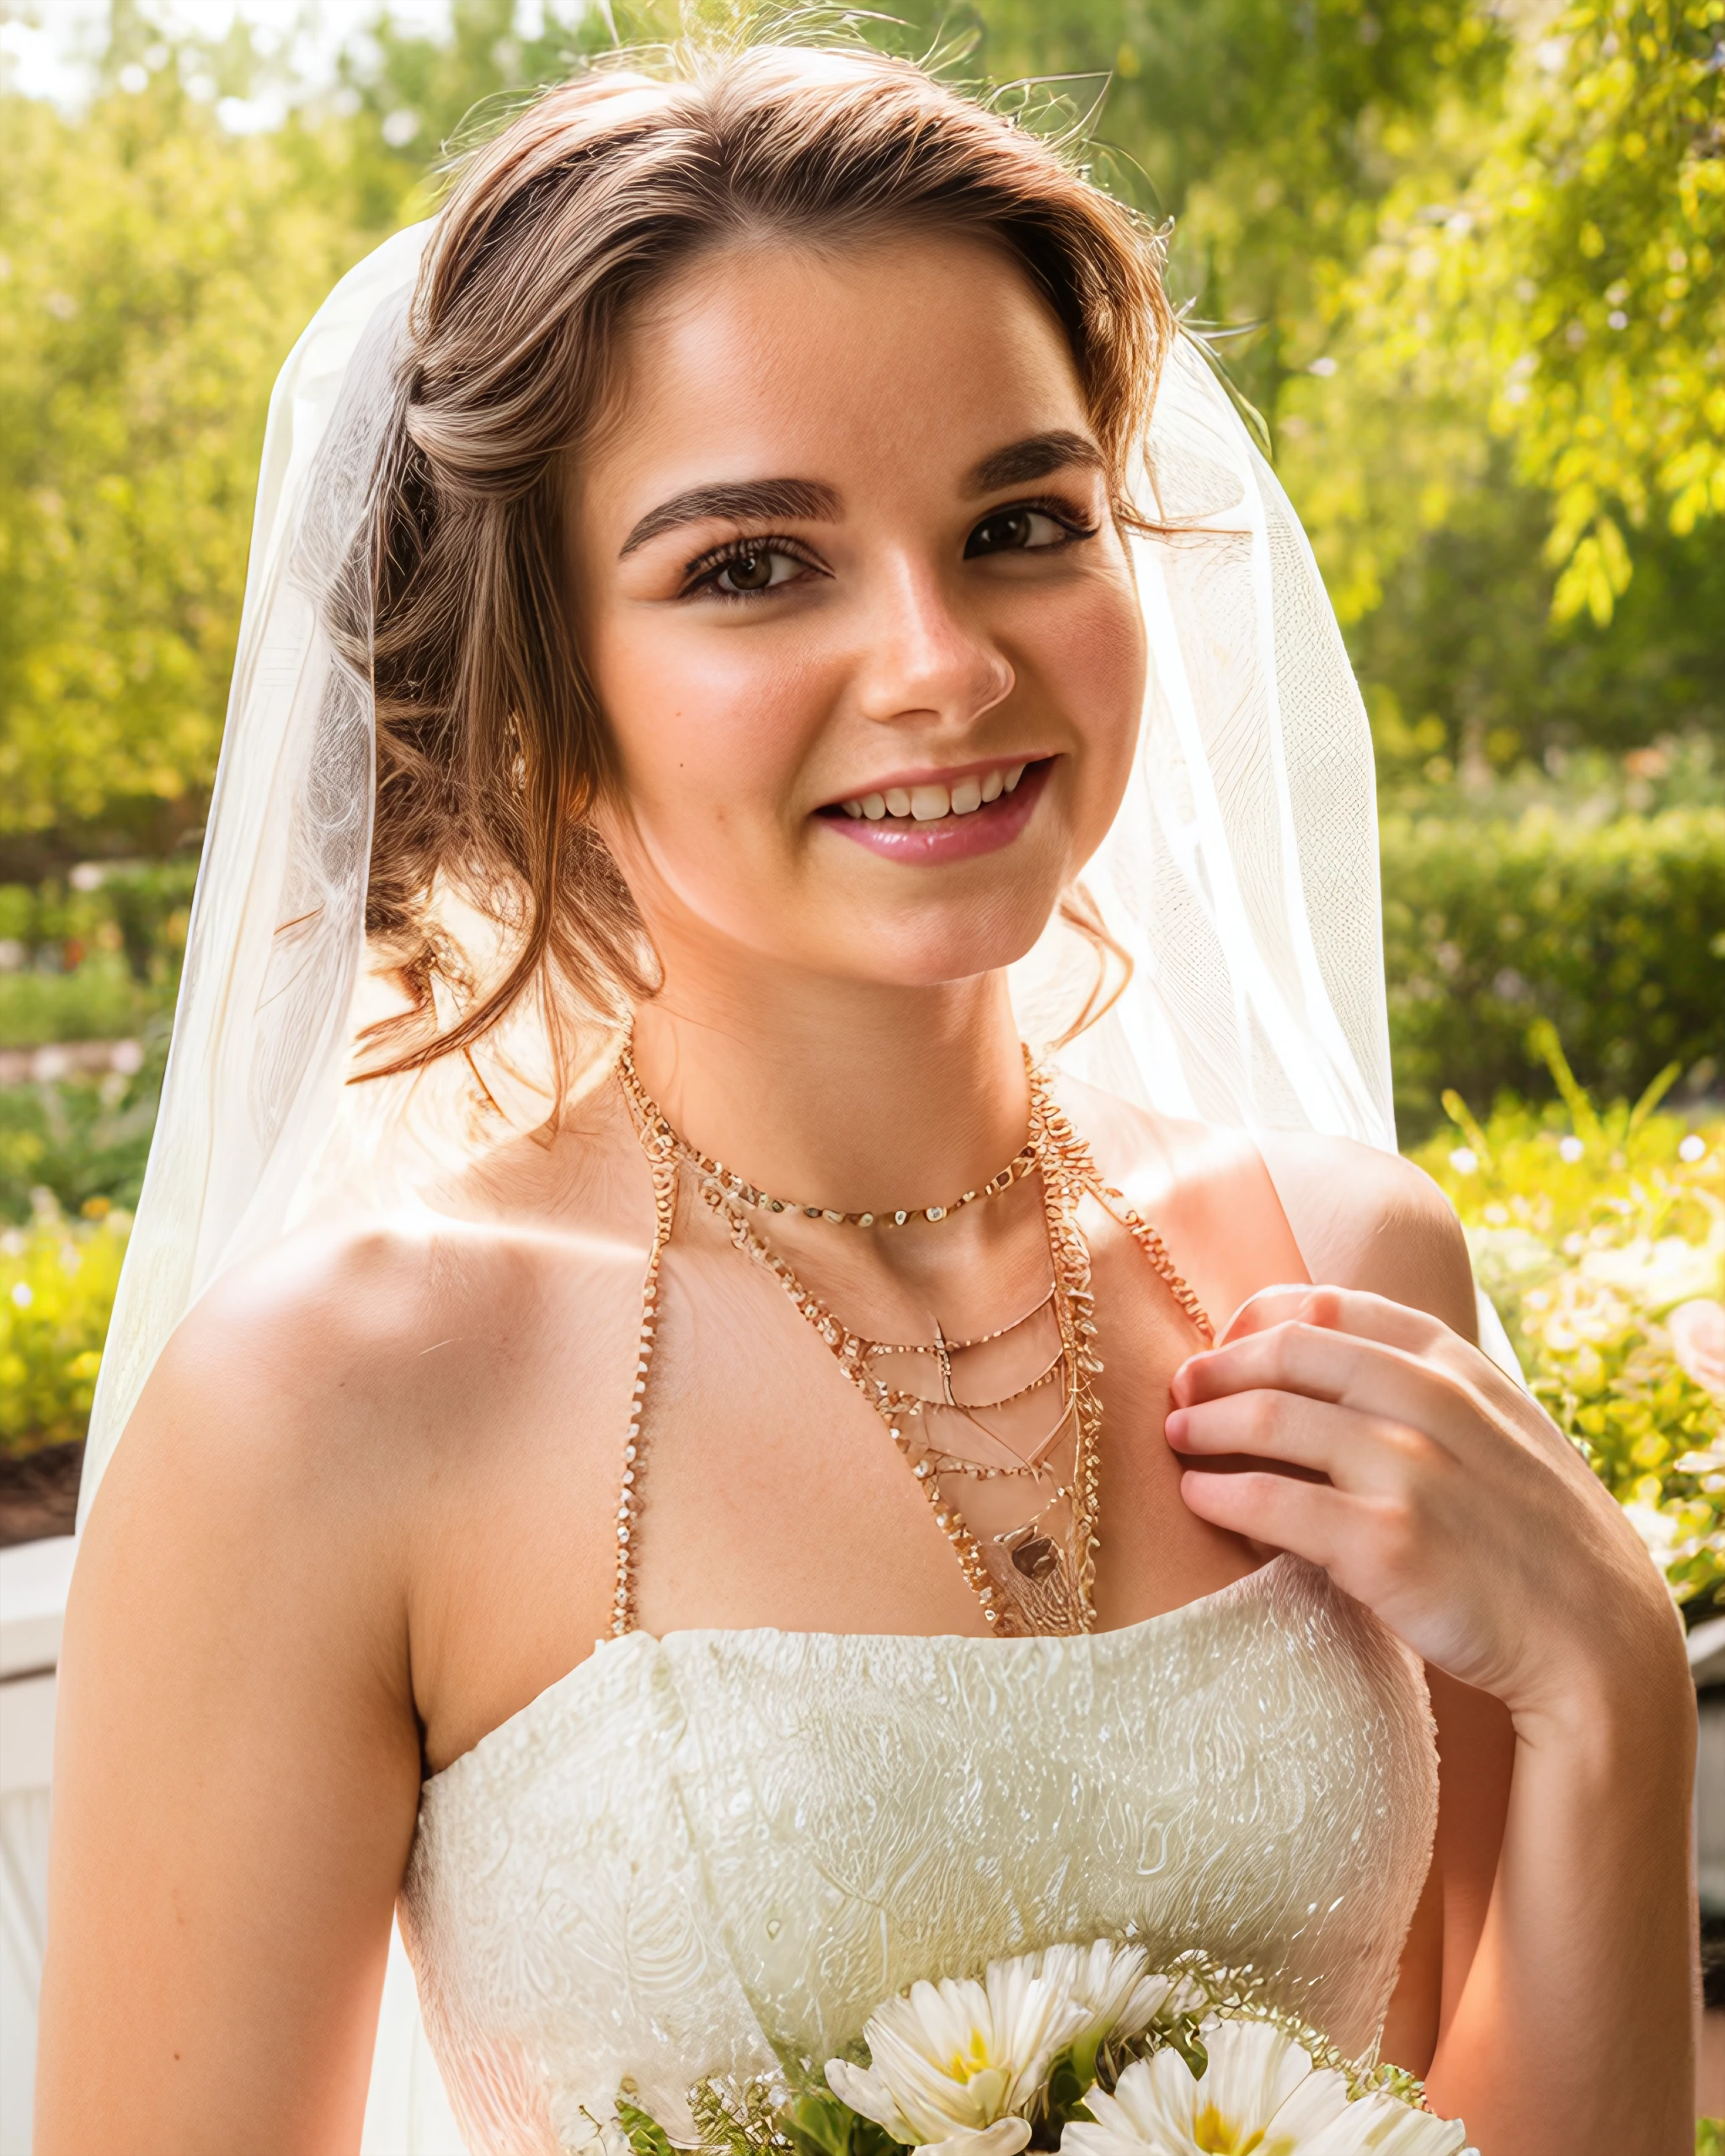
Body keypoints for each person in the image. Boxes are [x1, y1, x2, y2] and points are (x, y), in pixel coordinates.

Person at [35, 40, 1696, 2156]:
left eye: (1020, 523)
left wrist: (1609, 1686)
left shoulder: (1344, 1266)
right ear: (537, 691)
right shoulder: (330, 1403)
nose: (940, 662)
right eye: (751, 564)